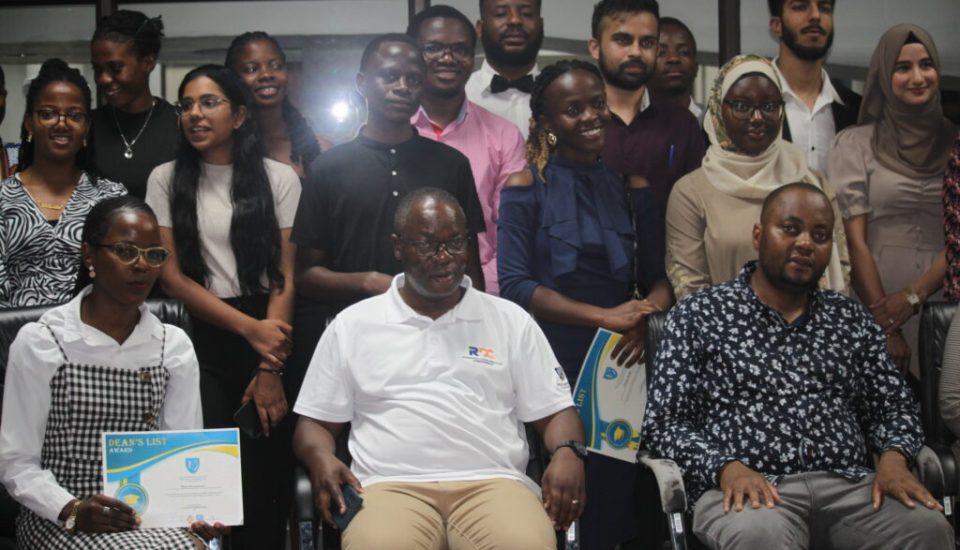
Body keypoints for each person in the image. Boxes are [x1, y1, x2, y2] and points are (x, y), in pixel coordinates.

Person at [644, 182, 954, 550]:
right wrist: (726, 467)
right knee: (761, 538)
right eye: (790, 229)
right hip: (747, 490)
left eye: (820, 235)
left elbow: (894, 406)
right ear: (758, 234)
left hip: (850, 488)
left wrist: (893, 459)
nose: (806, 243)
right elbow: (664, 425)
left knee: (927, 529)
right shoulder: (699, 315)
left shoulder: (848, 318)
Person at [293, 188, 585, 550]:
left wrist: (568, 451)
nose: (444, 258)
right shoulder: (352, 325)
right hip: (388, 486)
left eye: (456, 243)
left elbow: (557, 411)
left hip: (494, 483)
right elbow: (315, 423)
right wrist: (320, 457)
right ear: (397, 246)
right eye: (428, 245)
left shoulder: (510, 320)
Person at [498, 59, 672, 549]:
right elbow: (514, 285)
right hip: (551, 358)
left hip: (623, 358)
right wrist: (606, 318)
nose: (592, 115)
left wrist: (642, 316)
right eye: (573, 109)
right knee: (556, 493)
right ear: (547, 123)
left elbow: (661, 282)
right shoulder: (524, 187)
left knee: (616, 500)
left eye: (597, 103)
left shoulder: (633, 188)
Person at [0, 195, 225, 549]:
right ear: (89, 255)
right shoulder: (43, 341)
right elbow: (16, 463)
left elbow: (182, 453)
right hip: (61, 517)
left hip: (148, 515)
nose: (141, 266)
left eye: (154, 255)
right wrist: (71, 508)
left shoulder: (172, 344)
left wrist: (196, 510)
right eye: (125, 251)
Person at [145, 65, 300, 549]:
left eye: (208, 103)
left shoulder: (279, 178)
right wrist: (249, 331)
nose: (194, 114)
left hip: (271, 329)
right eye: (186, 105)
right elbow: (169, 277)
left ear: (238, 116)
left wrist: (268, 362)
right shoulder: (165, 179)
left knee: (263, 482)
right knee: (204, 482)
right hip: (200, 337)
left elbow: (285, 275)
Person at [290, 34, 484, 399]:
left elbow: (470, 268)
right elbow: (305, 276)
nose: (403, 87)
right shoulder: (329, 168)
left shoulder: (451, 164)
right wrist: (368, 282)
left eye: (413, 79)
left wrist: (478, 335)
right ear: (362, 83)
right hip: (357, 341)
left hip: (442, 339)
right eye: (390, 76)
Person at [665, 54, 848, 300]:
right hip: (722, 332)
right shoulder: (691, 192)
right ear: (718, 109)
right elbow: (690, 287)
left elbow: (841, 266)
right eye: (742, 106)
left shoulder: (811, 182)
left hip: (808, 331)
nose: (757, 118)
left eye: (770, 106)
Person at [830, 24, 955, 378]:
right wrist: (886, 325)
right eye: (902, 68)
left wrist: (915, 296)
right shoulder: (854, 144)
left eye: (926, 65)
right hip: (874, 301)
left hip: (945, 301)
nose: (917, 77)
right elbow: (854, 241)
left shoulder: (956, 143)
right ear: (884, 75)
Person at [407, 5, 526, 295]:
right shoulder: (392, 132)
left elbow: (510, 234)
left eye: (460, 49)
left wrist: (477, 293)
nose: (448, 58)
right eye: (433, 48)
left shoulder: (504, 135)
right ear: (412, 54)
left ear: (473, 58)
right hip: (399, 295)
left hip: (481, 293)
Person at [0, 59, 126, 308]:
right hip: (14, 340)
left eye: (74, 115)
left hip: (94, 338)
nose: (61, 123)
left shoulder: (112, 198)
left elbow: (121, 280)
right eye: (47, 114)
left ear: (87, 126)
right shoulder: (3, 198)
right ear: (29, 122)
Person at [589, 0, 706, 213]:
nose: (636, 52)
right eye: (623, 40)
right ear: (595, 48)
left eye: (647, 43)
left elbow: (696, 212)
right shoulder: (574, 122)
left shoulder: (682, 124)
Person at [90, 10, 178, 199]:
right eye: (98, 69)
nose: (104, 79)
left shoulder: (179, 125)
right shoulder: (86, 126)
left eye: (115, 68)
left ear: (148, 62)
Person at [768, 0, 861, 177]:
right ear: (776, 25)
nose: (815, 16)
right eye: (800, 7)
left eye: (824, 8)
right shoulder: (745, 107)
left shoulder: (858, 111)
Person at [225, 31, 331, 179]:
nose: (267, 74)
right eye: (251, 69)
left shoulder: (321, 149)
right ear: (233, 79)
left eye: (276, 66)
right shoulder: (223, 151)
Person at [465, 0, 543, 138]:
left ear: (541, 25)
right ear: (480, 28)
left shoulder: (565, 97)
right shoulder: (460, 96)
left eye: (527, 13)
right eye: (501, 13)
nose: (515, 20)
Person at [648, 16, 704, 124]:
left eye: (684, 52)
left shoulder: (714, 124)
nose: (674, 58)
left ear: (696, 67)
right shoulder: (630, 123)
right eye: (661, 53)